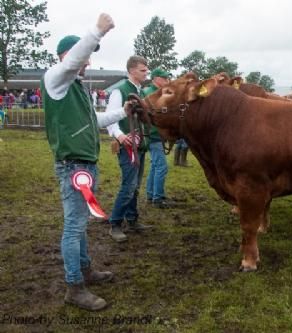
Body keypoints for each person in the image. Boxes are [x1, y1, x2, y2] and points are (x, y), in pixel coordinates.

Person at [42, 13, 138, 311]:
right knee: (74, 226)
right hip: (73, 166)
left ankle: (84, 270)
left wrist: (122, 112)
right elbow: (72, 62)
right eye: (84, 57)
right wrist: (97, 31)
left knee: (79, 224)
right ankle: (74, 286)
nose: (88, 63)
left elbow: (94, 120)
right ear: (67, 56)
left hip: (83, 165)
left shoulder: (76, 89)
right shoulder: (55, 78)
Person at [106, 55, 151, 242]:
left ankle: (132, 219)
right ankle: (115, 223)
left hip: (139, 144)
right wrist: (119, 135)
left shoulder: (139, 91)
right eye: (143, 70)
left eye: (146, 69)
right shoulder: (120, 91)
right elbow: (111, 117)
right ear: (132, 70)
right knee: (129, 185)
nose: (146, 72)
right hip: (128, 146)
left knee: (135, 185)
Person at [143, 67, 178, 208]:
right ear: (156, 78)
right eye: (164, 78)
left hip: (156, 135)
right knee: (161, 167)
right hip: (153, 135)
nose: (167, 81)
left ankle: (151, 194)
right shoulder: (150, 94)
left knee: (155, 166)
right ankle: (158, 197)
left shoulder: (157, 93)